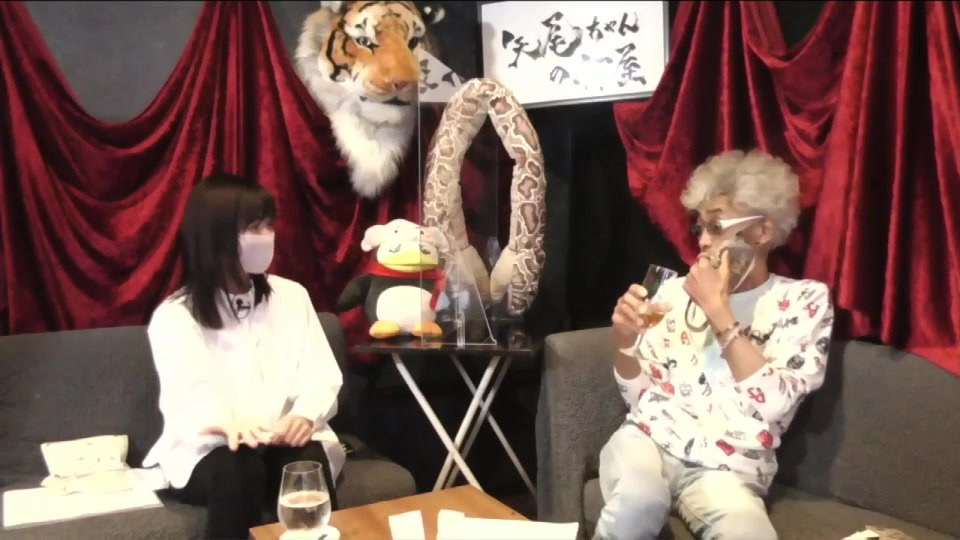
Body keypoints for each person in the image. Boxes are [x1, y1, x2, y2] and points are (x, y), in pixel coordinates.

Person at [595, 149, 834, 540]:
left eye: (717, 226)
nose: (703, 241)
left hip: (729, 470)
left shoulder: (803, 301)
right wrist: (623, 339)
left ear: (762, 231)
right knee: (640, 501)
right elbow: (639, 398)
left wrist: (718, 311)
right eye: (700, 227)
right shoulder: (673, 292)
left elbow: (775, 405)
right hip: (648, 442)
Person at [142, 172, 345, 539]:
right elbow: (186, 396)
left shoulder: (292, 296)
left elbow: (320, 373)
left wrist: (303, 414)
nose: (266, 236)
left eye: (268, 225)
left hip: (280, 440)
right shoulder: (175, 316)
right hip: (210, 450)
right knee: (240, 468)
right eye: (253, 227)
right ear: (216, 236)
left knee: (305, 464)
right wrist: (226, 423)